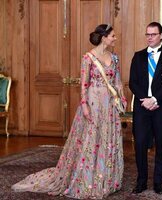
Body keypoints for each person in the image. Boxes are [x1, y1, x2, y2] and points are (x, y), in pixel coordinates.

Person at [12, 24, 127, 199]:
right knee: (91, 140)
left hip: (109, 105)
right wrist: (85, 105)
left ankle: (106, 180)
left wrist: (122, 97)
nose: (115, 38)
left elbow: (117, 81)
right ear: (104, 38)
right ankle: (88, 180)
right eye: (112, 36)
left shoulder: (115, 57)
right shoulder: (88, 58)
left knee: (107, 139)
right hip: (93, 103)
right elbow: (84, 83)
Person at [129, 22, 162, 194]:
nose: (149, 37)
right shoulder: (138, 56)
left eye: (153, 34)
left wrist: (155, 99)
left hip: (161, 108)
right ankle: (141, 181)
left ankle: (158, 182)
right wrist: (145, 100)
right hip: (142, 107)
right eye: (147, 34)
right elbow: (133, 82)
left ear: (161, 35)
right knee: (140, 144)